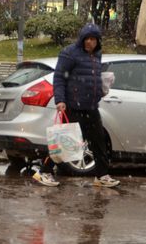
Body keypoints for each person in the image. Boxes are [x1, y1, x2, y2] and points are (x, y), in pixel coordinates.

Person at [33, 23, 120, 188]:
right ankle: (44, 172)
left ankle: (101, 175)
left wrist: (100, 88)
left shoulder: (97, 55)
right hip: (73, 106)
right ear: (82, 39)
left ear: (98, 41)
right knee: (64, 141)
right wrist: (60, 100)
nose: (89, 42)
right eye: (87, 39)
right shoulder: (70, 53)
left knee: (98, 141)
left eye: (93, 39)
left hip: (91, 107)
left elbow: (91, 77)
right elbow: (59, 77)